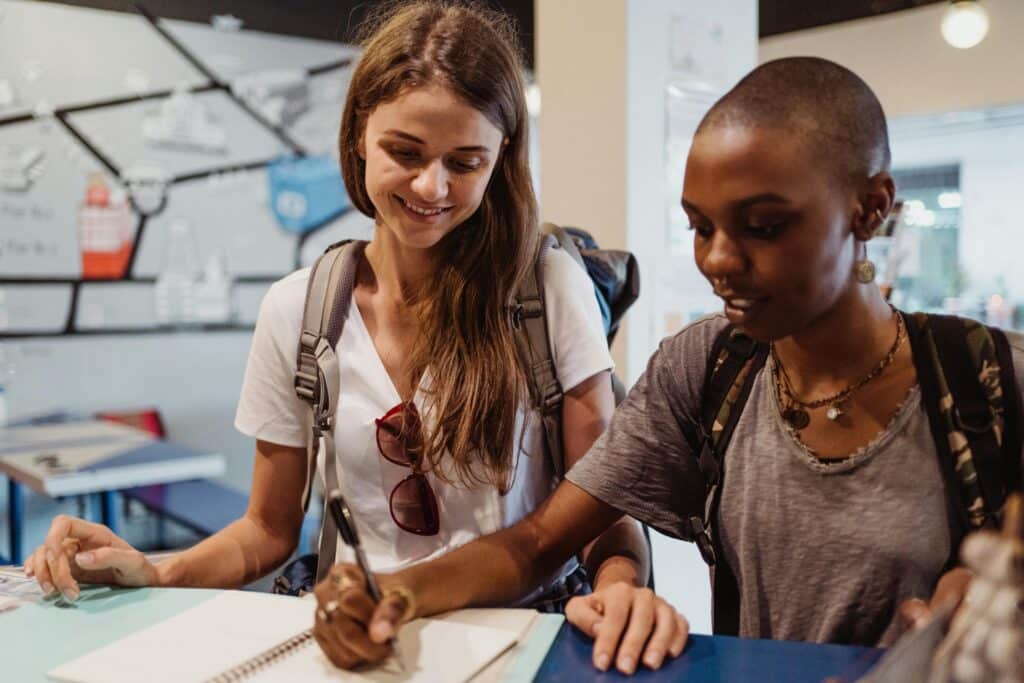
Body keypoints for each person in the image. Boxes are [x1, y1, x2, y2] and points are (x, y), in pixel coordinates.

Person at [24, 0, 686, 673]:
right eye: (405, 152)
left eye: (466, 161)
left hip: (523, 644)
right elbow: (268, 529)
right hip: (359, 648)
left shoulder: (547, 289)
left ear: (501, 158)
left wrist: (619, 588)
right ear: (358, 136)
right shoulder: (299, 309)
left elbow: (600, 507)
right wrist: (159, 573)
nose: (432, 185)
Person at [309, 55, 1024, 673]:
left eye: (764, 226)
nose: (717, 259)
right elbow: (538, 539)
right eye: (700, 226)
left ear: (871, 209)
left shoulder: (991, 380)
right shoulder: (710, 366)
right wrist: (395, 595)